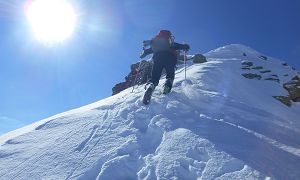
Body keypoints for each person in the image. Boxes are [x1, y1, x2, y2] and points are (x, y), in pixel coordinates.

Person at [140, 30, 190, 98]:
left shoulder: (156, 42)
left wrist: (144, 53)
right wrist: (185, 46)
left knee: (155, 75)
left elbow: (150, 50)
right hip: (170, 58)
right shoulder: (169, 41)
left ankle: (151, 85)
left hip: (158, 58)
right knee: (170, 75)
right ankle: (167, 85)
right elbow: (178, 46)